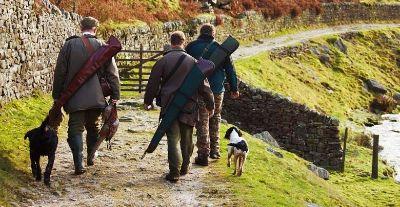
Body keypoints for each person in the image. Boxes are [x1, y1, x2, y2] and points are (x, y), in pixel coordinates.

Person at [52, 17, 120, 175]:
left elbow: (60, 72)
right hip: (97, 97)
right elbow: (112, 73)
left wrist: (57, 96)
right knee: (93, 126)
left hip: (74, 97)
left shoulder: (69, 45)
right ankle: (91, 157)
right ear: (96, 28)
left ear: (80, 27)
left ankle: (78, 164)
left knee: (75, 129)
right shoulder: (103, 46)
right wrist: (115, 95)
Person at [144, 31, 214, 182]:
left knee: (173, 140)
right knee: (187, 139)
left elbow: (153, 84)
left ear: (171, 42)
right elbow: (204, 87)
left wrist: (148, 101)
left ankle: (174, 172)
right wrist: (211, 105)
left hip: (169, 106)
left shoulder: (163, 61)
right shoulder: (194, 62)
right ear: (184, 41)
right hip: (189, 106)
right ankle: (185, 167)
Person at [186, 23, 240, 166]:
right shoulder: (221, 49)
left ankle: (203, 153)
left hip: (198, 89)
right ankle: (214, 151)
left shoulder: (191, 47)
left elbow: (184, 66)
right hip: (216, 90)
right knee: (215, 117)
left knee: (202, 120)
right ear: (213, 34)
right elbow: (230, 71)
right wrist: (234, 89)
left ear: (200, 33)